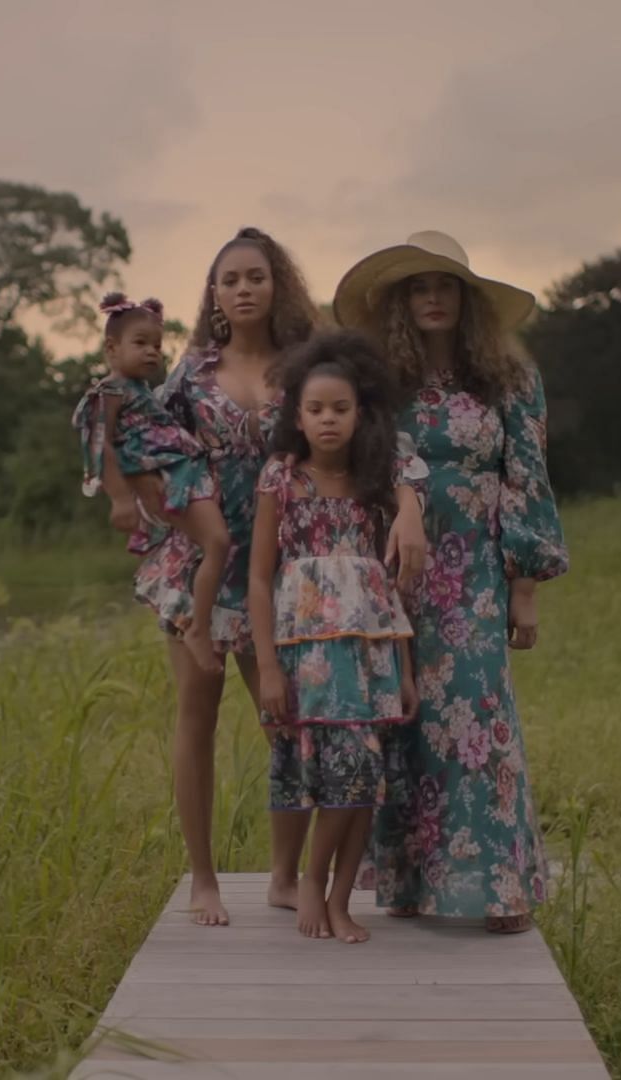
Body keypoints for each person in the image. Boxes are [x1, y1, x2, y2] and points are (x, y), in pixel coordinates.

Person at [127, 227, 429, 927]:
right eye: (228, 278)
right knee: (196, 715)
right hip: (205, 563)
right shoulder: (189, 377)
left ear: (276, 284)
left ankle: (286, 876)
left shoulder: (306, 368)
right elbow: (144, 445)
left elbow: (384, 441)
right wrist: (138, 500)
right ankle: (203, 878)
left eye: (255, 276)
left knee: (291, 723)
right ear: (214, 294)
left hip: (290, 572)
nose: (243, 288)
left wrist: (409, 501)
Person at [333, 231, 569, 934]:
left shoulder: (511, 380)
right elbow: (363, 459)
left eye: (444, 286)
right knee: (404, 718)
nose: (432, 297)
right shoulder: (379, 381)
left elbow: (528, 478)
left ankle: (499, 887)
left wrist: (524, 584)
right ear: (402, 303)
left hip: (476, 569)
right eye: (418, 287)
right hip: (396, 566)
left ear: (466, 300)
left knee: (477, 715)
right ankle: (410, 882)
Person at [248, 332, 417, 944]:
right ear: (297, 415)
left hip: (368, 660)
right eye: (316, 409)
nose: (328, 419)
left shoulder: (373, 483)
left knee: (364, 780)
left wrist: (404, 668)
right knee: (330, 778)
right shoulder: (281, 480)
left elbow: (385, 592)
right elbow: (260, 578)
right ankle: (311, 884)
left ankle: (340, 897)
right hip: (308, 661)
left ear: (358, 414)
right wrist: (267, 667)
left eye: (340, 409)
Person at [71, 292, 231, 673]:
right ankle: (197, 628)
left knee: (210, 547)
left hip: (184, 472)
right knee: (217, 542)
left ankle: (191, 616)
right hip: (169, 479)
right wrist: (121, 499)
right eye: (140, 343)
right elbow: (100, 444)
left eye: (157, 346)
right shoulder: (108, 392)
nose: (151, 353)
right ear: (111, 348)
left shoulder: (141, 391)